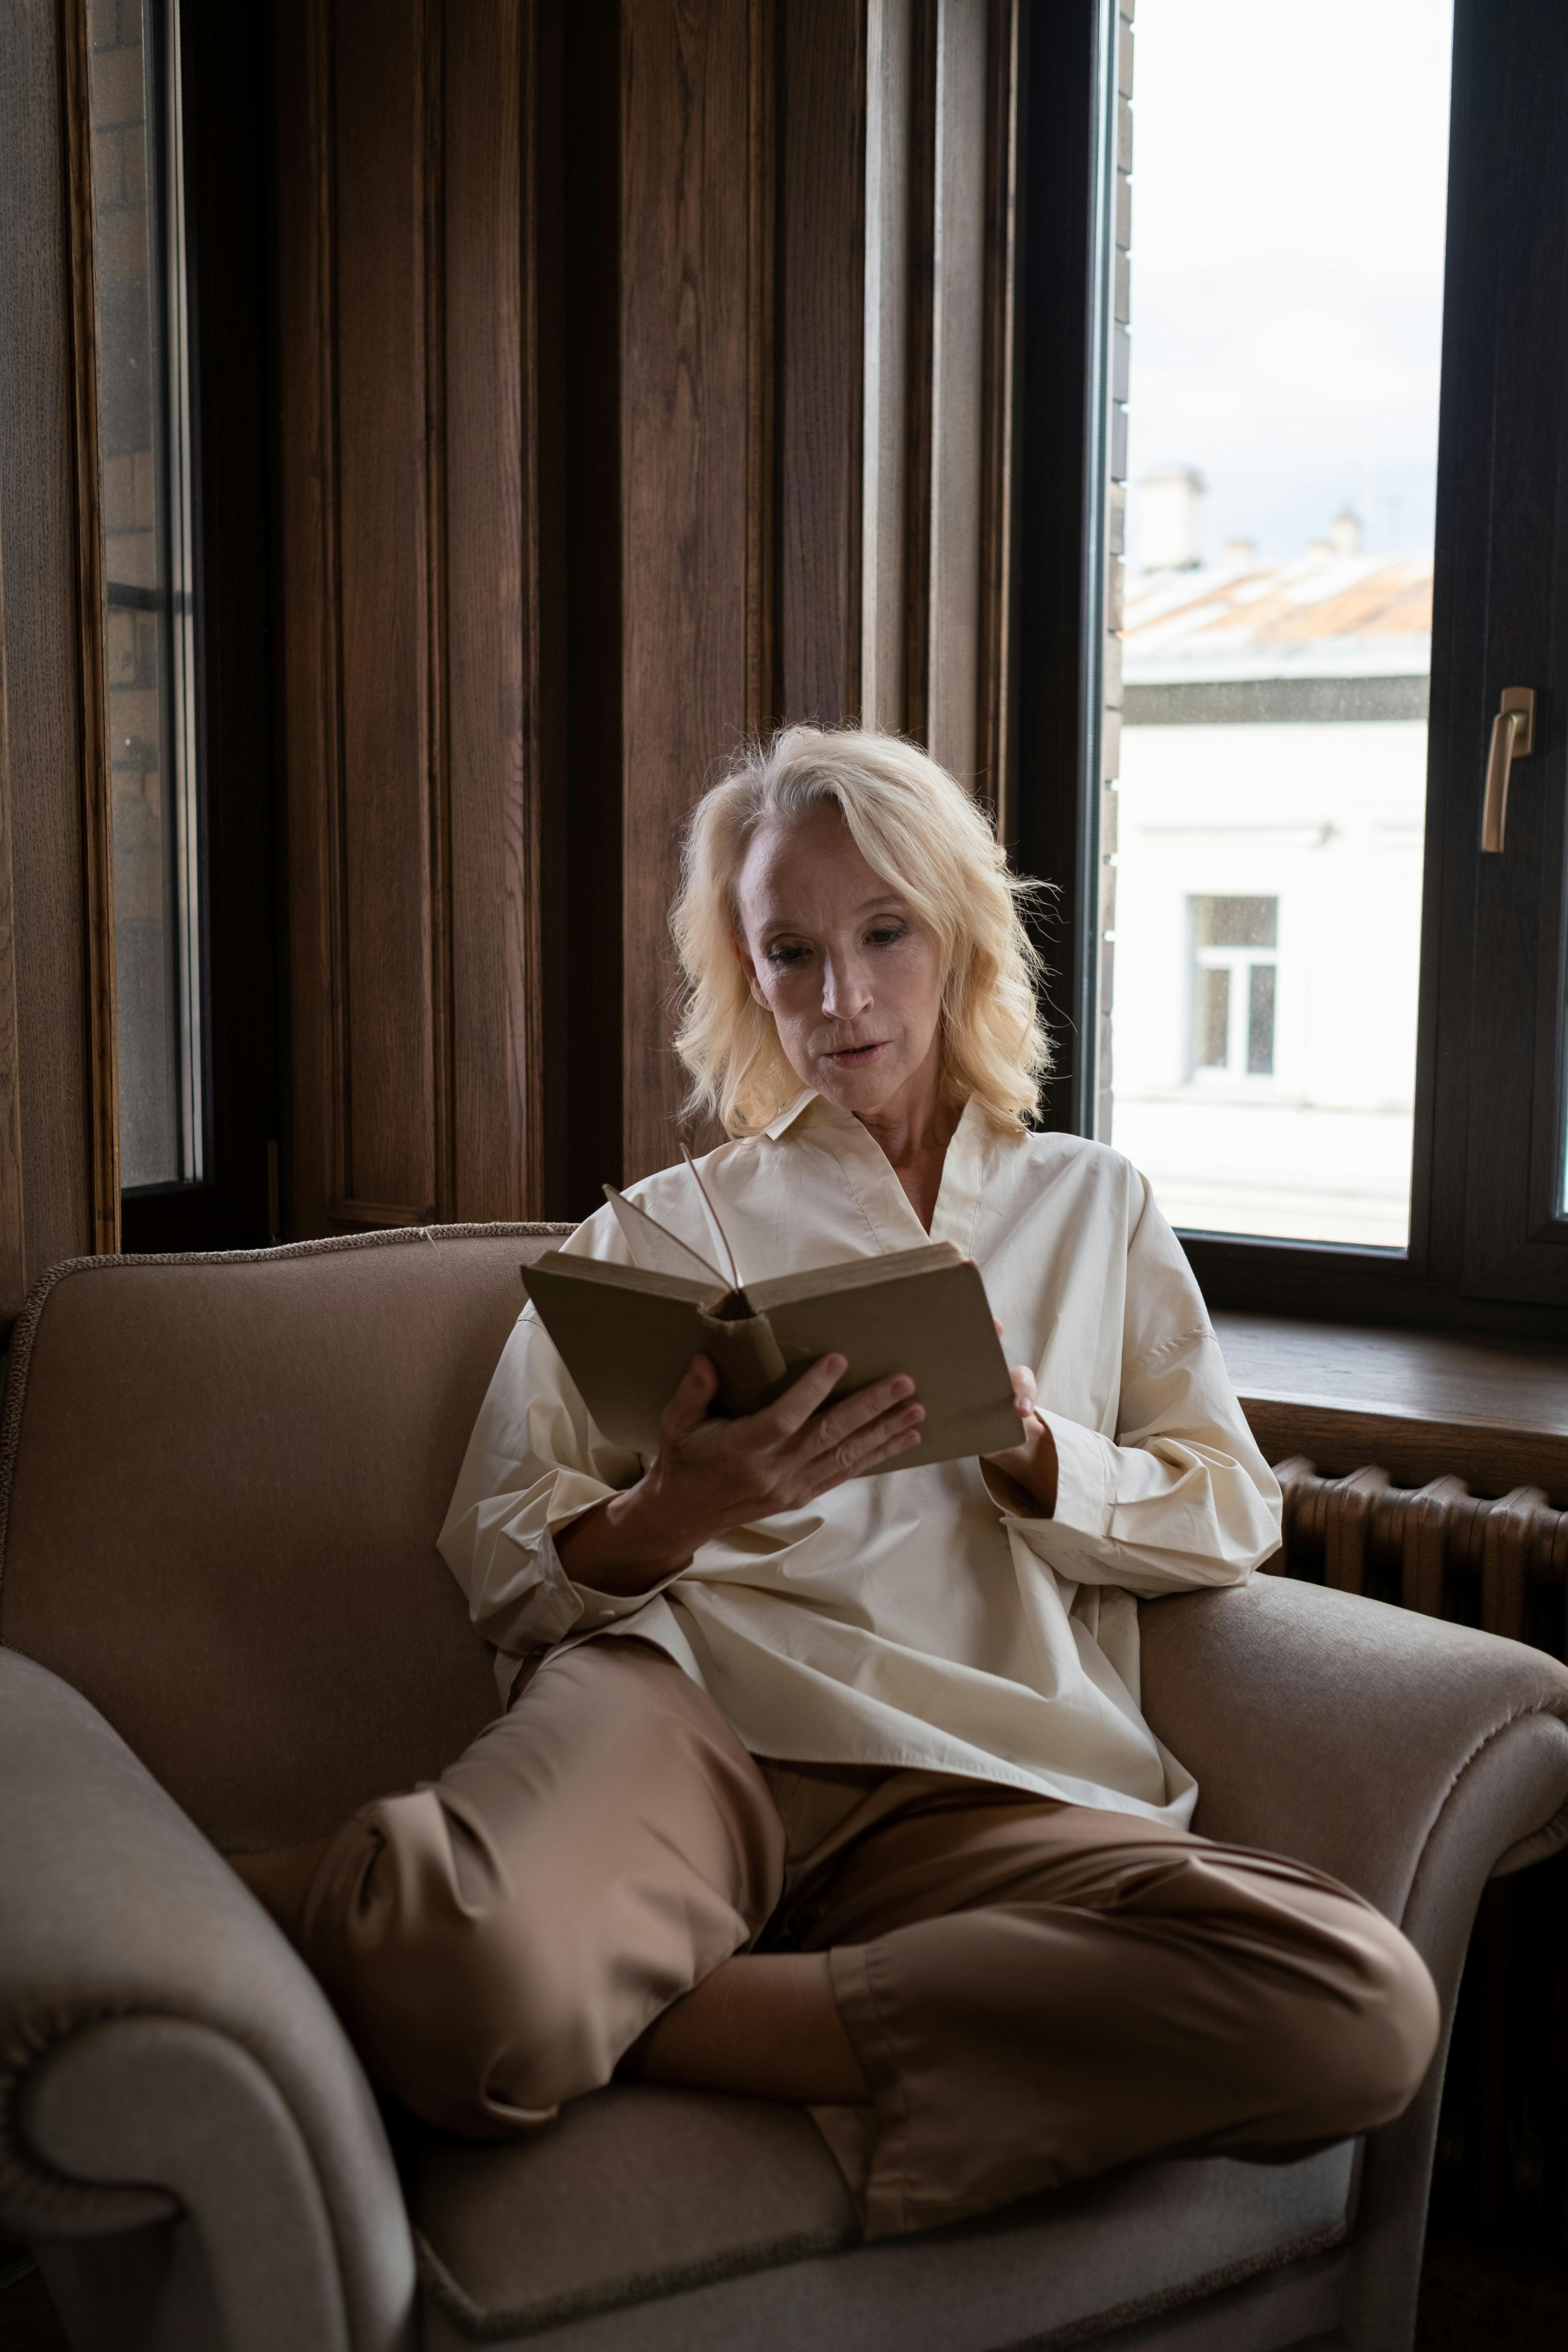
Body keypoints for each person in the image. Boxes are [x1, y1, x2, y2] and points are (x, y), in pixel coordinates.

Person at [236, 726, 1438, 2241]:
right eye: (789, 953)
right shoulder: (662, 1235)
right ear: (743, 976)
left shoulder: (1092, 1208)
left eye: (883, 936)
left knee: (1358, 2008)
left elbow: (1231, 1514)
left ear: (959, 937)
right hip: (687, 1727)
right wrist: (678, 1508)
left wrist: (1036, 1452)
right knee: (459, 1990)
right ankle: (524, 1943)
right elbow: (499, 1554)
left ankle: (636, 1994)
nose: (842, 999)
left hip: (984, 1783)